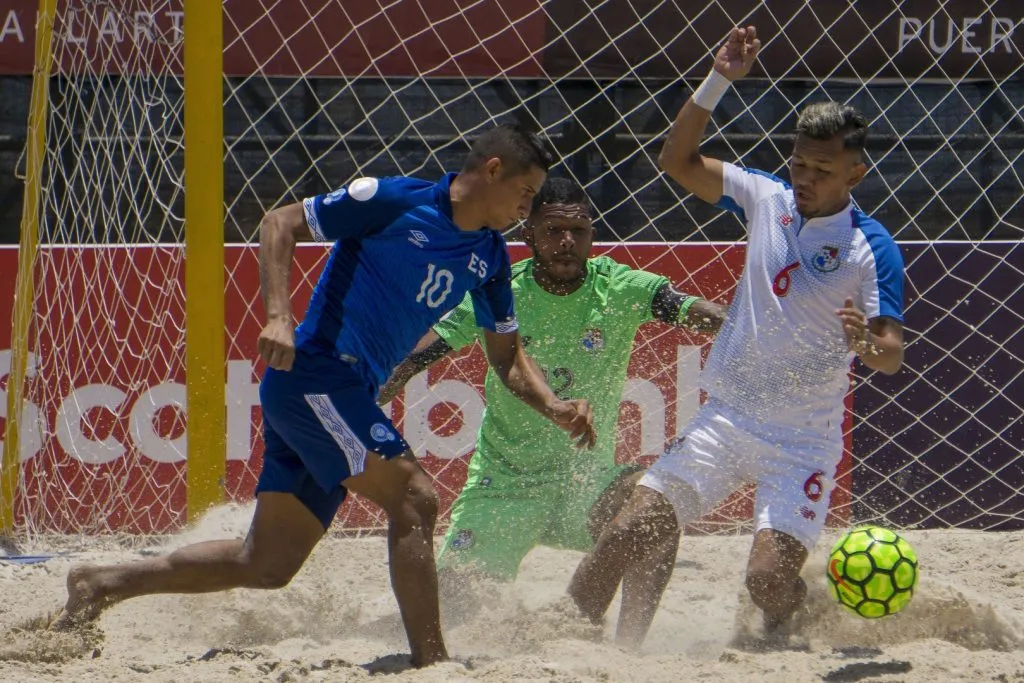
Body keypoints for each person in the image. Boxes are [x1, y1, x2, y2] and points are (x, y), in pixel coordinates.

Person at [52, 124, 597, 668]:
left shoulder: (491, 256)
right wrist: (279, 316)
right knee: (415, 497)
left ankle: (101, 583)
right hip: (315, 374)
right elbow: (279, 221)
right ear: (493, 170)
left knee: (265, 564)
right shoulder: (393, 200)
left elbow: (506, 357)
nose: (527, 210)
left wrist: (552, 405)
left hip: (340, 392)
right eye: (525, 195)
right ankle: (433, 663)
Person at [568, 26, 906, 649]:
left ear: (856, 171)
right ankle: (560, 637)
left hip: (802, 440)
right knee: (626, 531)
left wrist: (863, 343)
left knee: (768, 582)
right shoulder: (765, 196)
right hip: (726, 417)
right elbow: (675, 161)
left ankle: (788, 622)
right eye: (799, 162)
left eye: (822, 169)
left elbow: (891, 357)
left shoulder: (870, 247)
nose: (804, 177)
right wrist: (718, 78)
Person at [378, 176, 726, 606]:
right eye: (553, 231)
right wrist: (357, 397)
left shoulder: (620, 287)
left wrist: (763, 330)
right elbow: (418, 357)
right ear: (529, 235)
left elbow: (699, 312)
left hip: (585, 483)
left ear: (592, 236)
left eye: (577, 232)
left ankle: (632, 650)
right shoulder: (498, 291)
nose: (566, 241)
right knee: (455, 606)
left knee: (656, 509)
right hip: (505, 484)